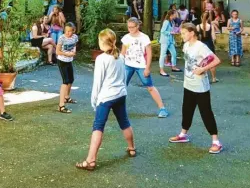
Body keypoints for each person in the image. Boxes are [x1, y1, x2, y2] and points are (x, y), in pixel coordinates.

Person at [75, 29, 135, 171]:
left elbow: (98, 82)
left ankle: (90, 160)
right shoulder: (120, 57)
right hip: (121, 94)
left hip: (106, 97)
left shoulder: (101, 59)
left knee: (98, 126)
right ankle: (132, 148)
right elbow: (123, 77)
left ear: (102, 42)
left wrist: (94, 100)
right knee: (124, 121)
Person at [169, 23, 223, 154]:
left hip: (200, 87)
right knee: (186, 110)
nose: (181, 36)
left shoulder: (201, 47)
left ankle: (216, 142)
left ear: (192, 33)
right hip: (188, 84)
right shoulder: (186, 46)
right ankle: (183, 135)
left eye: (183, 33)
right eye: (181, 33)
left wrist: (203, 69)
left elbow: (216, 60)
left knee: (206, 113)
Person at [121, 17, 169, 118]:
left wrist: (147, 68)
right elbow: (122, 53)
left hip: (141, 66)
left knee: (150, 87)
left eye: (132, 27)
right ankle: (119, 109)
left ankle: (162, 108)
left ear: (138, 26)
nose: (130, 29)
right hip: (127, 65)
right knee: (121, 87)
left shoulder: (144, 37)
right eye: (128, 27)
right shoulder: (126, 37)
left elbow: (149, 53)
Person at [56, 23, 78, 113]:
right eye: (67, 31)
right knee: (65, 81)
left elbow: (74, 45)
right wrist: (67, 54)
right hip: (62, 61)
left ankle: (67, 97)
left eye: (70, 31)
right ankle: (61, 106)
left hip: (69, 60)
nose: (68, 33)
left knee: (71, 80)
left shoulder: (75, 37)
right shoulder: (62, 38)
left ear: (73, 30)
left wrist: (73, 52)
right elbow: (57, 51)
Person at [159, 10, 182, 76]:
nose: (177, 15)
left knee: (174, 53)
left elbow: (172, 29)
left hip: (170, 40)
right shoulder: (166, 22)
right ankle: (161, 70)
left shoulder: (172, 21)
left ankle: (174, 67)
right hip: (165, 41)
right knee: (162, 55)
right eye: (176, 14)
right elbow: (162, 31)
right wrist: (170, 33)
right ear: (172, 14)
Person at [197, 12, 218, 83]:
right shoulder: (211, 26)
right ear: (208, 18)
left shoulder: (198, 26)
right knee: (212, 61)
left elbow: (197, 38)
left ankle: (201, 78)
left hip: (201, 46)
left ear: (201, 17)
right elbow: (214, 37)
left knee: (201, 62)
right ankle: (214, 78)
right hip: (209, 45)